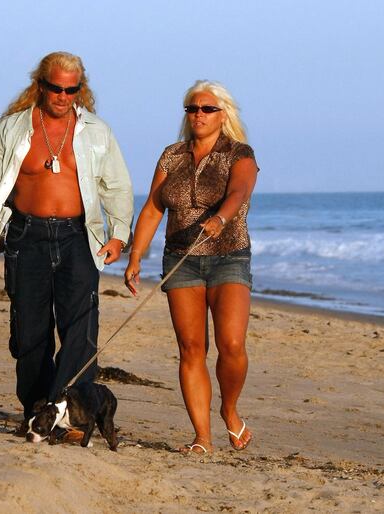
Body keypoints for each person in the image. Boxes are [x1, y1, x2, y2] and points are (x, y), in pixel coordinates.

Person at [0, 51, 134, 437]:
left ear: (79, 90)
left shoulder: (96, 131)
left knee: (81, 332)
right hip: (26, 236)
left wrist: (119, 233)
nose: (63, 96)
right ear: (40, 85)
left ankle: (67, 413)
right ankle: (37, 411)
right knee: (29, 334)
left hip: (78, 237)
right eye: (56, 88)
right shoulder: (10, 130)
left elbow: (116, 185)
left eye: (72, 89)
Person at [124, 81, 258, 454]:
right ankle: (202, 437)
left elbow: (240, 192)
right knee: (191, 348)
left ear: (223, 114)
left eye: (207, 108)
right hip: (181, 260)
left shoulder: (238, 153)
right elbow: (153, 207)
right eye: (192, 109)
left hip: (229, 255)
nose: (198, 114)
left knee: (231, 344)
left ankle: (229, 410)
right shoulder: (172, 156)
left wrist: (221, 218)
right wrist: (136, 255)